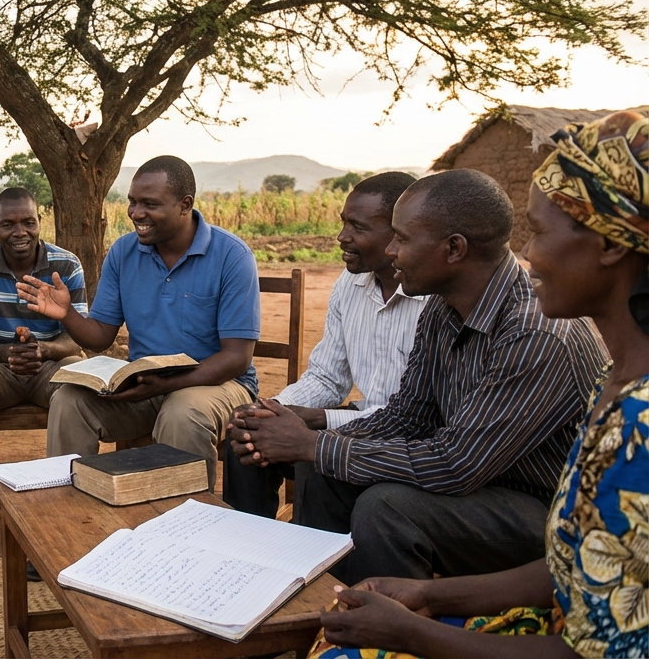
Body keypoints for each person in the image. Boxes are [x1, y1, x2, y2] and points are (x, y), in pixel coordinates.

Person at [311, 109, 649, 658]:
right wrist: (427, 593)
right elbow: (569, 562)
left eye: (539, 232)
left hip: (517, 508)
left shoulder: (629, 416)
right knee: (328, 471)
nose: (529, 255)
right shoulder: (615, 385)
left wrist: (414, 633)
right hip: (519, 537)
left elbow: (600, 649)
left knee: (384, 507)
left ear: (610, 247)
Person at [230, 169, 605, 585]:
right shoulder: (443, 308)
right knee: (323, 470)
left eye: (403, 239)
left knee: (386, 507)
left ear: (454, 249)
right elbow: (407, 417)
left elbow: (458, 463)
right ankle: (321, 611)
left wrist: (315, 443)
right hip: (482, 485)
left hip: (550, 513)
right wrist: (304, 442)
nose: (392, 251)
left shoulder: (534, 332)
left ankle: (386, 636)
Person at [18, 155, 260, 490]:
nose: (136, 213)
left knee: (182, 414)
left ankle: (185, 524)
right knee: (70, 400)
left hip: (216, 383)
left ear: (184, 204)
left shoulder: (232, 257)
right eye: (132, 202)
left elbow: (236, 357)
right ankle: (67, 509)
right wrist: (67, 314)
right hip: (146, 381)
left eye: (149, 204)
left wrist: (166, 385)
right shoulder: (124, 252)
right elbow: (100, 336)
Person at [223, 172, 424, 518]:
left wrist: (316, 419)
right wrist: (274, 408)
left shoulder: (432, 300)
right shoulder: (350, 284)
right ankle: (249, 549)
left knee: (316, 463)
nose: (341, 237)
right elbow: (327, 378)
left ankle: (312, 565)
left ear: (399, 234)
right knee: (248, 433)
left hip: (409, 435)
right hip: (357, 419)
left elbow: (414, 418)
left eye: (358, 228)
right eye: (343, 223)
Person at [0, 186, 86, 533]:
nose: (19, 232)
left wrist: (43, 351)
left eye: (28, 222)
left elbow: (77, 338)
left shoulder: (66, 265)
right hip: (0, 368)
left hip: (51, 367)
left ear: (40, 221)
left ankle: (67, 485)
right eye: (8, 224)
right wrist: (10, 354)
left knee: (79, 374)